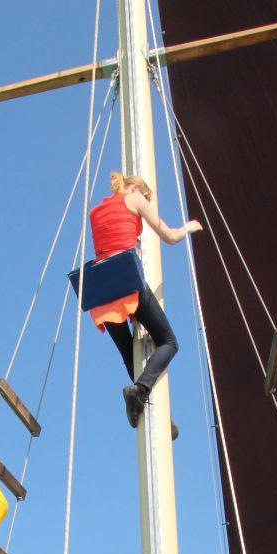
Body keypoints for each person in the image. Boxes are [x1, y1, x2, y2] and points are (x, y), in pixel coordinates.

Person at [88, 171, 202, 428]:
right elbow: (170, 237)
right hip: (126, 281)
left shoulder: (95, 211)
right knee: (169, 342)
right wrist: (188, 228)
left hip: (101, 290)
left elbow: (109, 244)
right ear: (134, 188)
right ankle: (140, 390)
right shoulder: (136, 198)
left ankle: (151, 408)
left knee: (130, 353)